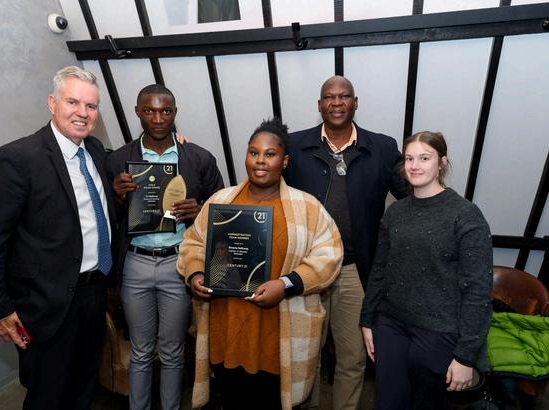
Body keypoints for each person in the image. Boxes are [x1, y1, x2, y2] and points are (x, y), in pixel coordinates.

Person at [0, 66, 115, 409]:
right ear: (52, 103)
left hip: (93, 295)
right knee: (48, 397)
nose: (82, 112)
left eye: (91, 106)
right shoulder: (17, 158)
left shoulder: (95, 151)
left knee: (84, 389)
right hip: (46, 304)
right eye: (73, 102)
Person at [177, 118, 344, 410]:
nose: (260, 161)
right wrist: (195, 274)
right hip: (226, 328)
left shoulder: (307, 207)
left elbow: (329, 255)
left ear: (284, 161)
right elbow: (192, 243)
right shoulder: (221, 200)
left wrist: (286, 284)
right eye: (253, 152)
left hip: (279, 336)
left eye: (270, 154)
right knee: (230, 400)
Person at [283, 75, 407, 409]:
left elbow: (411, 192)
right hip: (306, 270)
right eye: (329, 97)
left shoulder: (382, 147)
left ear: (355, 103)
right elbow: (263, 179)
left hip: (355, 270)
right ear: (320, 104)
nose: (336, 103)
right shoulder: (293, 145)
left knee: (353, 358)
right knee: (305, 356)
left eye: (344, 96)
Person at [106, 84, 224, 410]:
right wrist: (117, 197)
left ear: (175, 113)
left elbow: (222, 210)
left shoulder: (198, 158)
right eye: (149, 111)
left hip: (178, 263)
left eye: (165, 111)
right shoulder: (117, 160)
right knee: (141, 350)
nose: (158, 119)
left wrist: (199, 210)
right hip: (135, 264)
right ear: (137, 112)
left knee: (172, 351)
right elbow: (102, 217)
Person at [359, 131, 493, 410]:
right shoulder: (395, 213)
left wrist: (466, 356)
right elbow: (380, 270)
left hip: (439, 331)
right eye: (409, 158)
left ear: (441, 163)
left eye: (424, 158)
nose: (414, 165)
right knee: (388, 403)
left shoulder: (465, 215)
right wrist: (367, 320)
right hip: (391, 325)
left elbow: (478, 290)